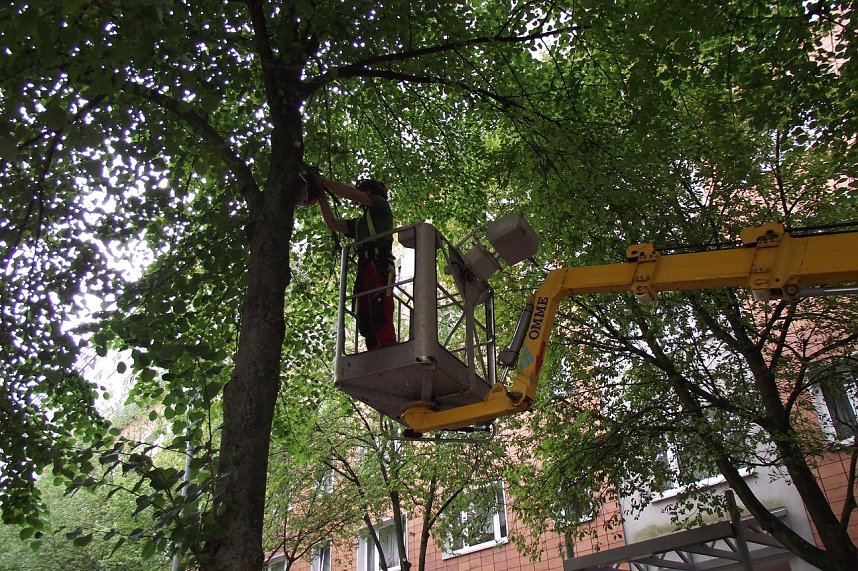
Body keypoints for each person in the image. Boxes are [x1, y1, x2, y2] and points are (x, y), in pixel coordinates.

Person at [315, 176, 397, 349]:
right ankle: (373, 349)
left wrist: (323, 182)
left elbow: (353, 195)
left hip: (380, 263)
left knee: (381, 309)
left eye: (365, 192)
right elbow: (333, 223)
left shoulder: (381, 205)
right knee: (365, 314)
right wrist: (321, 197)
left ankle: (389, 347)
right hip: (365, 265)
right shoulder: (360, 223)